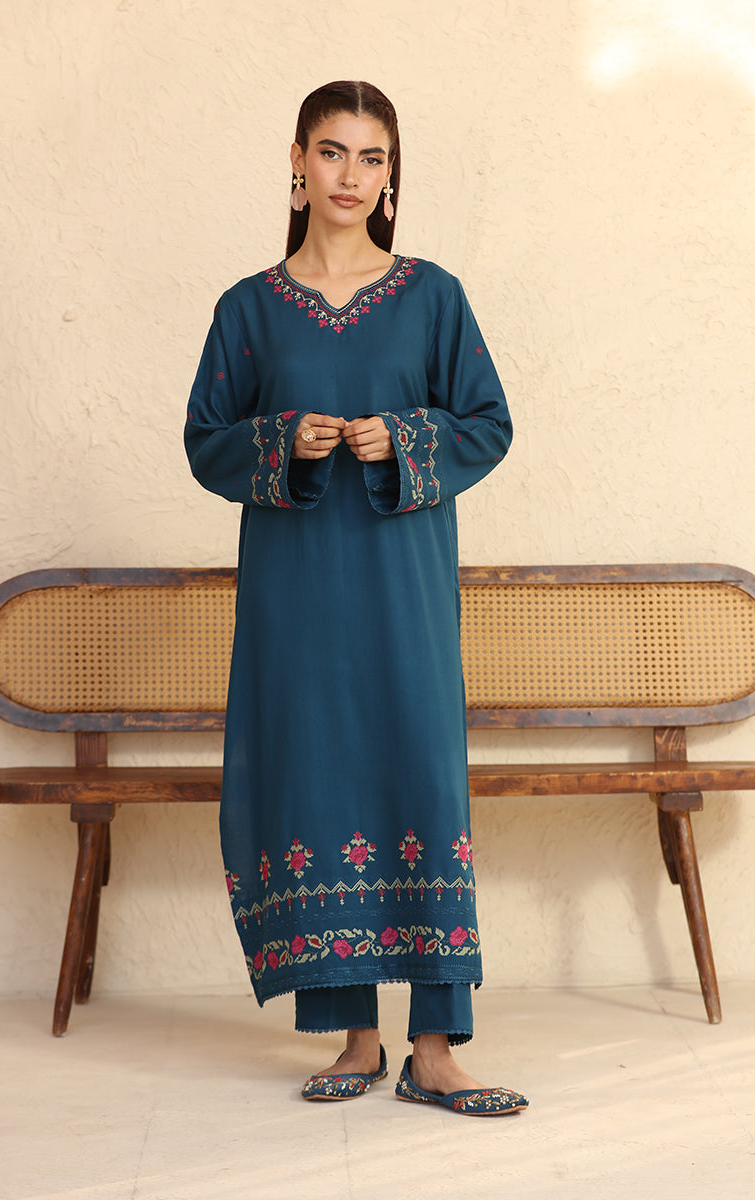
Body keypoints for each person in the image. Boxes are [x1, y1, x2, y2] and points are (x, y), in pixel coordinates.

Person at [185, 81, 527, 1117]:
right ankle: (352, 1038)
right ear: (296, 162)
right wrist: (278, 442)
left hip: (401, 581)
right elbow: (205, 439)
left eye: (369, 157)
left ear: (390, 173)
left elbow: (486, 423)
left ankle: (436, 1047)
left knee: (418, 770)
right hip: (297, 590)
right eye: (330, 153)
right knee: (318, 772)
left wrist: (406, 436)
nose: (348, 176)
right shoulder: (248, 309)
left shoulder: (432, 296)